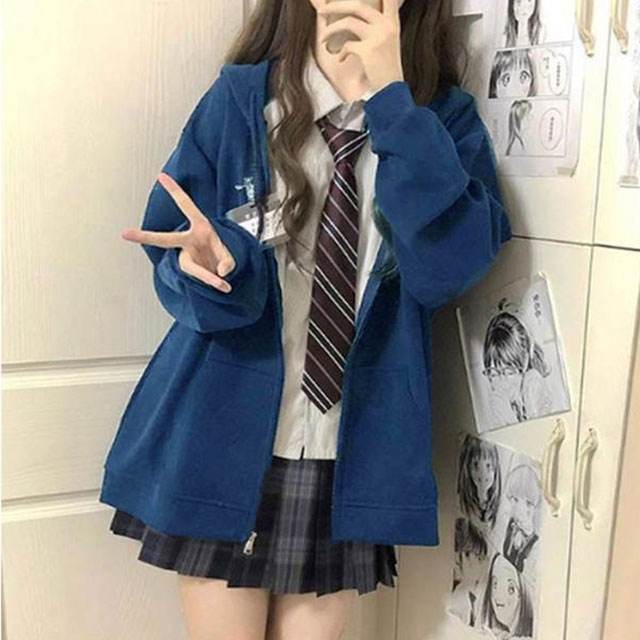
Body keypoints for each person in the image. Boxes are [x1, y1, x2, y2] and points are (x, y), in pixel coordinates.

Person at [99, 0, 513, 638]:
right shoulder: (241, 103)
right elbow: (179, 249)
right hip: (223, 432)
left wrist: (393, 101)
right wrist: (211, 269)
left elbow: (445, 271)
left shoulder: (440, 121)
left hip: (348, 451)